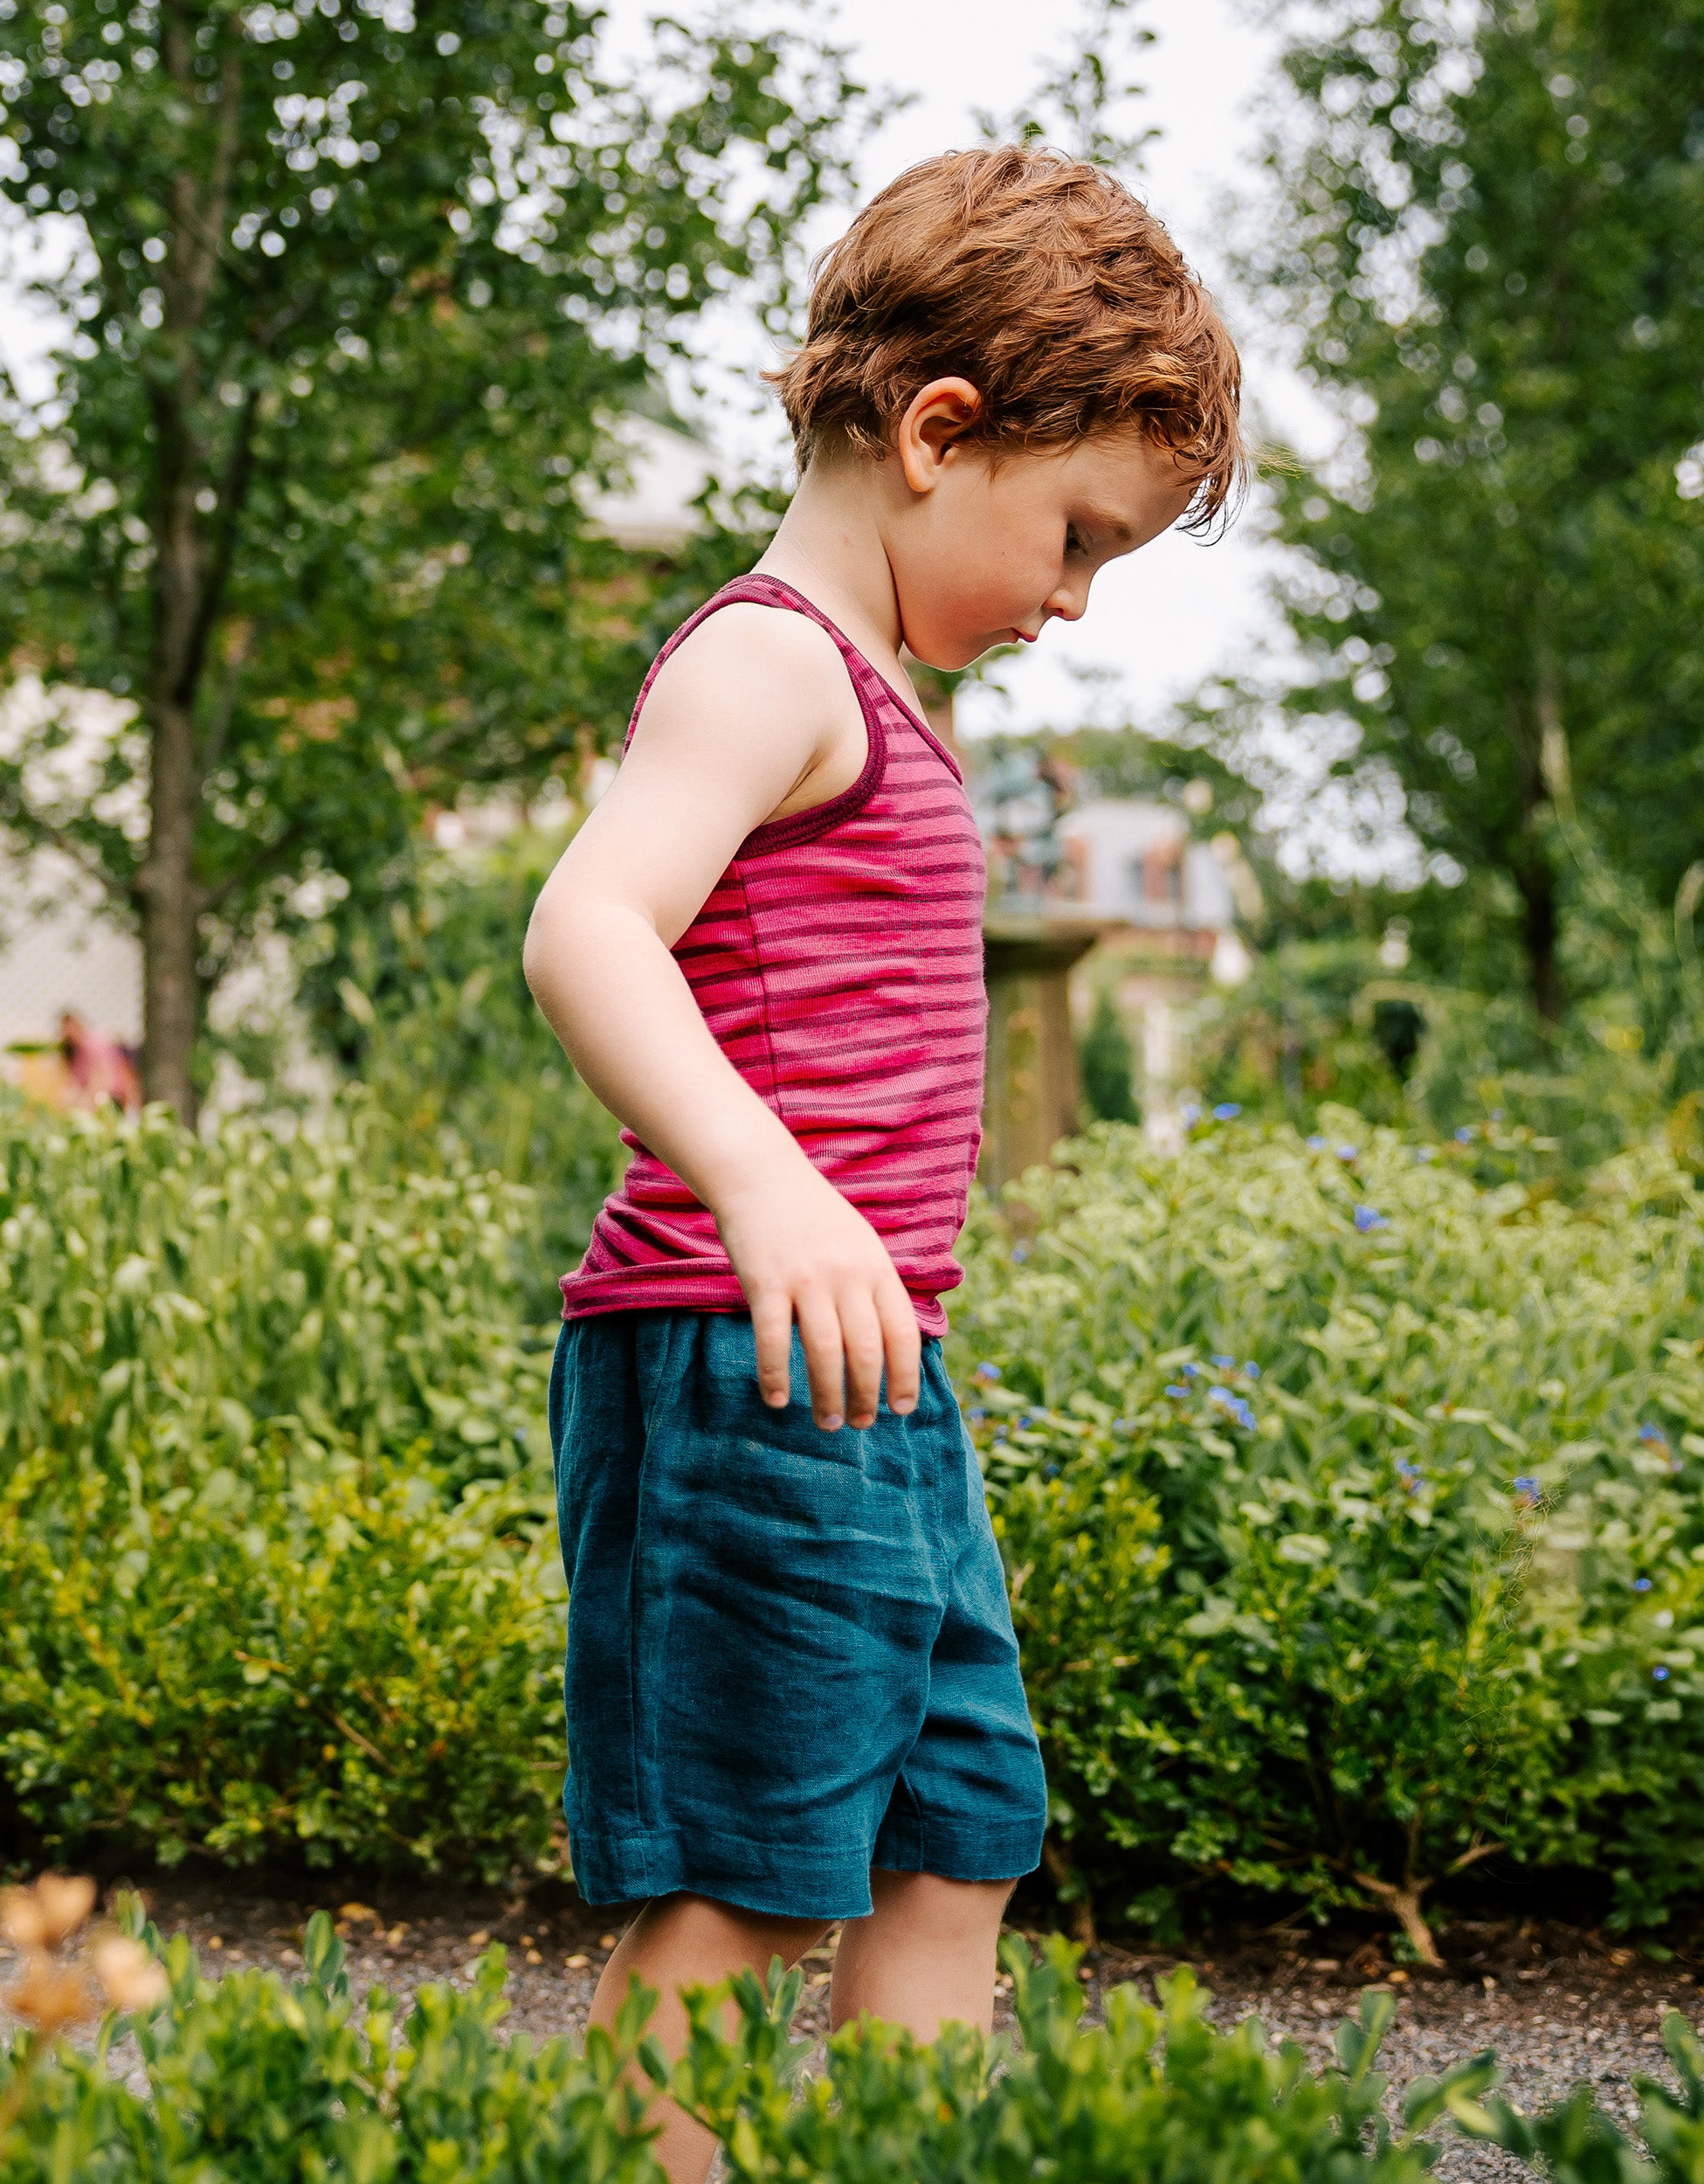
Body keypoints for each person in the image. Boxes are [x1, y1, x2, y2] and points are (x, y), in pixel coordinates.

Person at [525, 144, 1242, 2181]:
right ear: (942, 431)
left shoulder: (882, 701)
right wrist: (766, 1185)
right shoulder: (764, 661)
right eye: (1078, 533)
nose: (1073, 599)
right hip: (734, 1355)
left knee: (957, 1828)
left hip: (874, 1375)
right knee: (754, 1866)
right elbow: (586, 928)